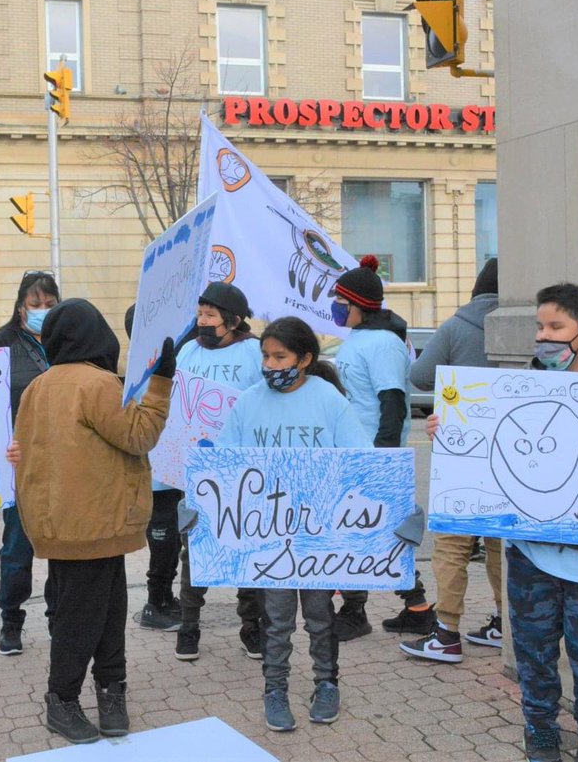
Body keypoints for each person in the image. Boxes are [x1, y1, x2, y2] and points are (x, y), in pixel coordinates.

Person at [422, 283, 578, 762]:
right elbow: (481, 459)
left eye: (556, 327)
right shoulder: (509, 393)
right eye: (539, 326)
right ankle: (539, 734)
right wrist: (449, 432)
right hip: (530, 553)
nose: (544, 336)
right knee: (535, 655)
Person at [7, 299, 174, 744]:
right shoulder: (98, 384)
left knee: (99, 608)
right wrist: (162, 381)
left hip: (61, 525)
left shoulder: (37, 387)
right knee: (86, 618)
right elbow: (140, 435)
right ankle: (62, 699)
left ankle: (111, 690)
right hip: (95, 523)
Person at [216, 316, 371, 732]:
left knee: (320, 615)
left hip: (319, 532)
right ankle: (276, 690)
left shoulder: (329, 400)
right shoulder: (248, 401)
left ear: (304, 359)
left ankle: (326, 685)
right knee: (278, 618)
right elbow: (225, 463)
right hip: (268, 533)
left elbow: (361, 460)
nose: (269, 364)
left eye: (279, 356)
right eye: (265, 356)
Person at [399, 257, 504, 662]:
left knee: (452, 544)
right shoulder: (528, 325)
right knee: (499, 542)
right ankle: (501, 623)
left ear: (476, 289)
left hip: (462, 449)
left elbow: (420, 376)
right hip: (511, 453)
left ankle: (447, 633)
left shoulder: (458, 326)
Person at [168, 282, 265, 661]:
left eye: (210, 316)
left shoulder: (256, 353)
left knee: (247, 547)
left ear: (233, 320)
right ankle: (189, 626)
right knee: (194, 550)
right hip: (196, 471)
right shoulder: (188, 350)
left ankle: (251, 626)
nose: (202, 322)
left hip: (245, 470)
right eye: (199, 315)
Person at [326, 255, 418, 642]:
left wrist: (383, 457)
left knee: (371, 534)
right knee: (364, 533)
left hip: (371, 454)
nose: (334, 307)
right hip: (351, 450)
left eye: (340, 301)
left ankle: (360, 610)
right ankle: (414, 608)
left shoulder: (382, 343)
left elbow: (392, 400)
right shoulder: (358, 339)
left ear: (358, 304)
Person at [0, 270, 61, 654]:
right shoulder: (0, 345)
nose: (43, 312)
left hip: (63, 462)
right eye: (35, 305)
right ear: (19, 308)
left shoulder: (68, 340)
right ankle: (11, 620)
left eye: (50, 305)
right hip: (17, 463)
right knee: (17, 548)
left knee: (63, 546)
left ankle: (57, 618)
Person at [122, 304, 184, 633]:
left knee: (173, 541)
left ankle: (167, 597)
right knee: (162, 543)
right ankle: (155, 602)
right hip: (155, 476)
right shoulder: (136, 372)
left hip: (176, 471)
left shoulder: (172, 361)